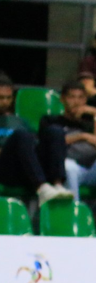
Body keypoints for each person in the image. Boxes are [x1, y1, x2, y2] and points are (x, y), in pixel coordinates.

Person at [0, 74, 71, 204]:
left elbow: (32, 145)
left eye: (8, 98)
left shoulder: (20, 121)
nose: (5, 102)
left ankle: (58, 184)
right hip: (5, 170)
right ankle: (42, 187)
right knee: (21, 135)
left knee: (55, 131)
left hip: (25, 168)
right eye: (1, 98)